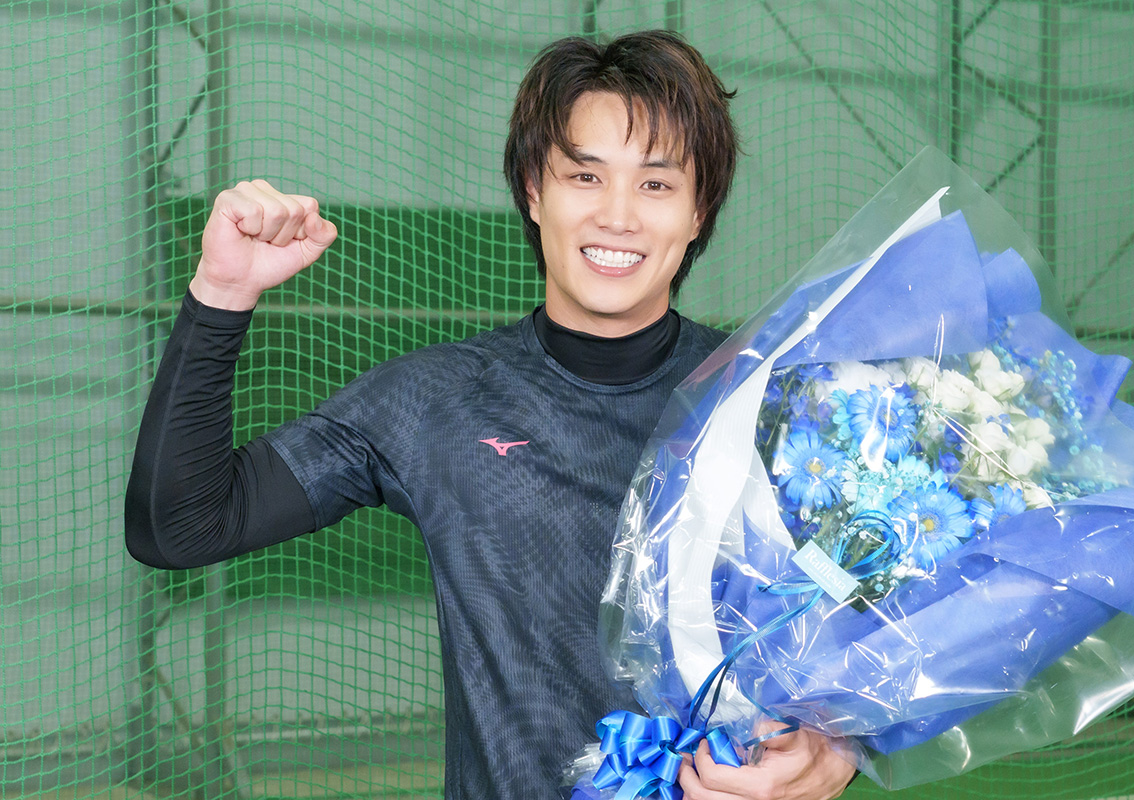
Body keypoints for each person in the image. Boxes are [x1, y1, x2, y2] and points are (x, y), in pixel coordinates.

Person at [126, 30, 857, 800]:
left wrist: (839, 743)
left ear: (699, 210)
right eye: (584, 175)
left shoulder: (773, 404)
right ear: (535, 192)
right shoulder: (435, 400)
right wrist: (221, 293)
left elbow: (876, 619)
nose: (617, 216)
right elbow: (177, 529)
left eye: (655, 184)